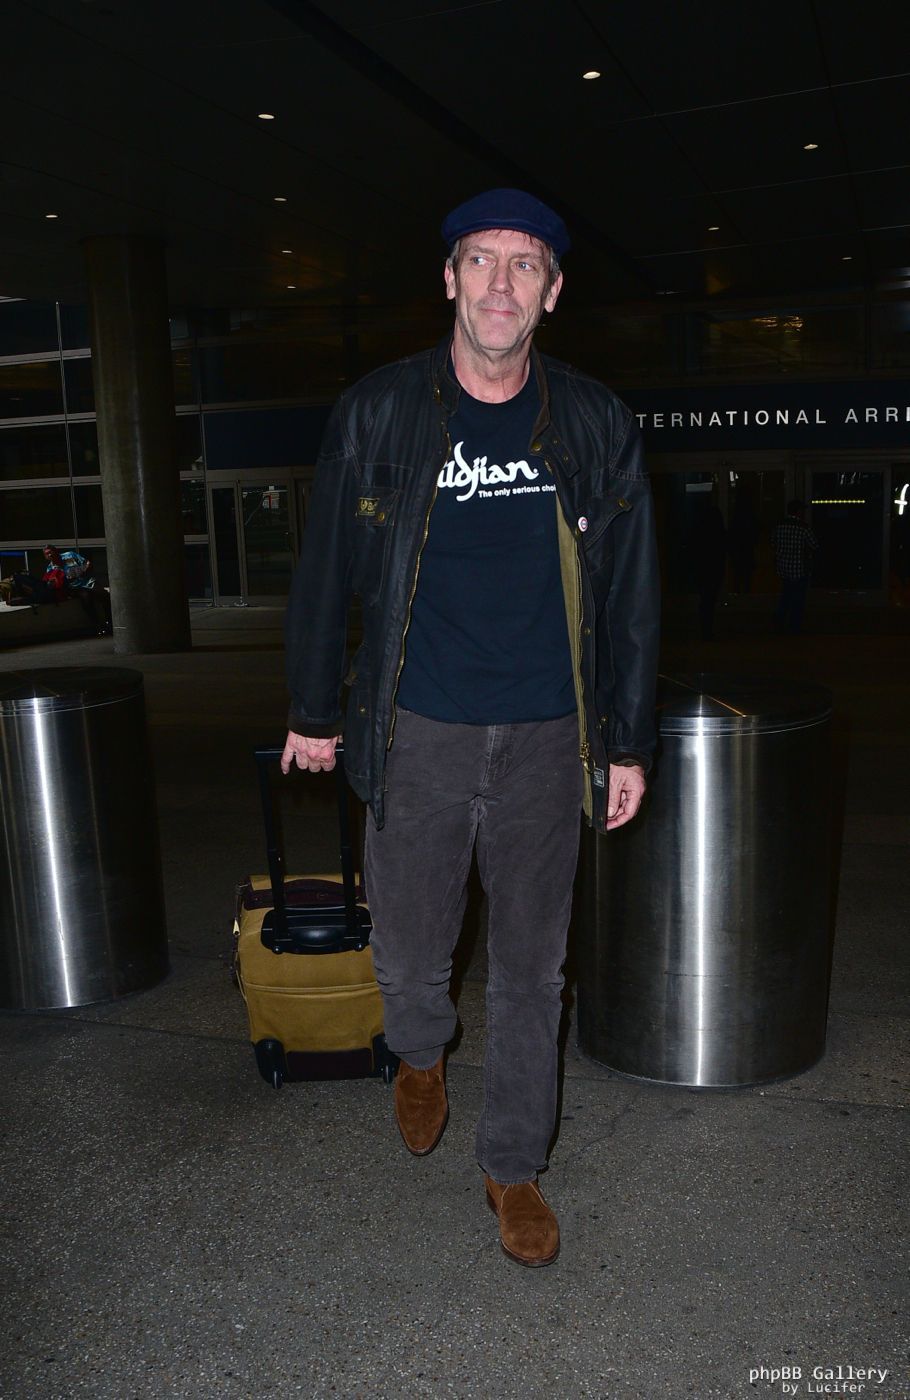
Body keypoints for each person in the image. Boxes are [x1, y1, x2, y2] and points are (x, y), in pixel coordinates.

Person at [281, 189, 660, 1268]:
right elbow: (326, 571)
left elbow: (631, 596)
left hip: (548, 734)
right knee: (410, 952)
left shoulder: (593, 421)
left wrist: (626, 742)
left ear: (551, 292)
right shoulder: (379, 411)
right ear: (449, 279)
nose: (501, 283)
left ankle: (513, 1164)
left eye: (524, 264)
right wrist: (313, 711)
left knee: (535, 970)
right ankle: (419, 1050)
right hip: (419, 726)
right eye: (482, 260)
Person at [773, 500, 817, 634]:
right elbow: (814, 545)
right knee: (798, 599)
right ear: (798, 511)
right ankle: (794, 626)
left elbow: (773, 542)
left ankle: (779, 623)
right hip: (799, 568)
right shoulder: (803, 528)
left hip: (783, 567)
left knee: (785, 596)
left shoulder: (779, 526)